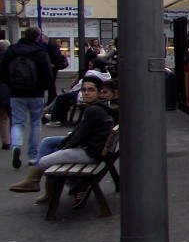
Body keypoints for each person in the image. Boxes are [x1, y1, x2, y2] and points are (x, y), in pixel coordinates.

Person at [9, 73, 113, 202]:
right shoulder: (96, 107)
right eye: (84, 90)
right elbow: (78, 133)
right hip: (91, 147)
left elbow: (79, 135)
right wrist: (63, 144)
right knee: (48, 142)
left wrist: (62, 147)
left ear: (99, 92)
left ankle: (49, 188)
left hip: (90, 152)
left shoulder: (95, 111)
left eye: (91, 90)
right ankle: (33, 181)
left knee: (44, 161)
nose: (86, 93)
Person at [0, 26, 54, 169]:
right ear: (37, 37)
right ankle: (32, 155)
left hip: (16, 92)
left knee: (18, 122)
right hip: (36, 93)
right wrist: (43, 87)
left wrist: (11, 84)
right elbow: (48, 75)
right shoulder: (40, 52)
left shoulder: (11, 51)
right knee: (35, 124)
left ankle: (16, 145)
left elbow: (2, 71)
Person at [43, 55, 111, 125]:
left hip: (83, 94)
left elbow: (81, 85)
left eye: (91, 65)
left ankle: (55, 119)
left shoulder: (91, 73)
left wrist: (73, 89)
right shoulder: (107, 74)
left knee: (61, 97)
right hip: (96, 95)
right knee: (65, 97)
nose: (90, 67)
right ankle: (53, 114)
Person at [0, 39, 10, 149]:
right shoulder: (11, 59)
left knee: (2, 117)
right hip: (11, 91)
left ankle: (6, 141)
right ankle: (15, 140)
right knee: (15, 118)